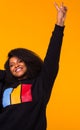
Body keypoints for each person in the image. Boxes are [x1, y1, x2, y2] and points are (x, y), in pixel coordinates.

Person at [0, 2, 67, 130]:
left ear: (27, 62)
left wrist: (59, 25)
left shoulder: (40, 84)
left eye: (20, 61)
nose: (16, 66)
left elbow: (52, 57)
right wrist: (6, 74)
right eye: (12, 65)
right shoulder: (5, 85)